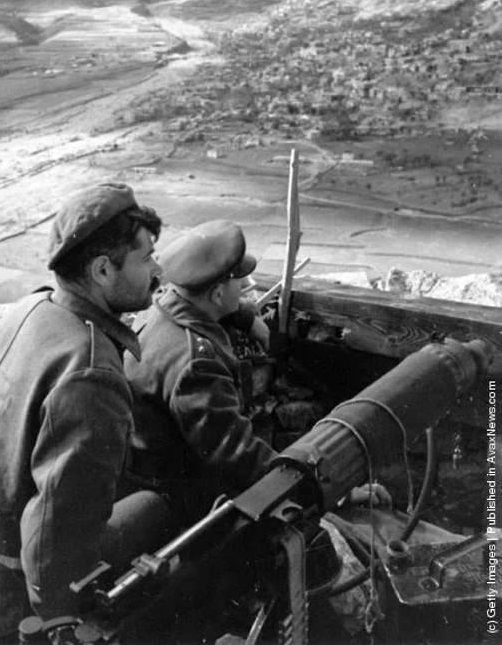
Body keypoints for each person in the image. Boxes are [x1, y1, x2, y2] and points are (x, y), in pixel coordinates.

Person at [0, 182, 174, 640]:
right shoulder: (93, 372)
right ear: (104, 270)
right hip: (6, 579)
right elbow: (53, 544)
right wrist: (60, 624)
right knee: (160, 508)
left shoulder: (31, 308)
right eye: (146, 257)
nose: (158, 268)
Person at [124, 220, 391, 529]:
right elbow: (240, 457)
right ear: (218, 294)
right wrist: (333, 490)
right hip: (184, 495)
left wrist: (245, 315)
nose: (245, 287)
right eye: (238, 281)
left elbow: (196, 302)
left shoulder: (161, 308)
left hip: (157, 461)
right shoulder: (197, 365)